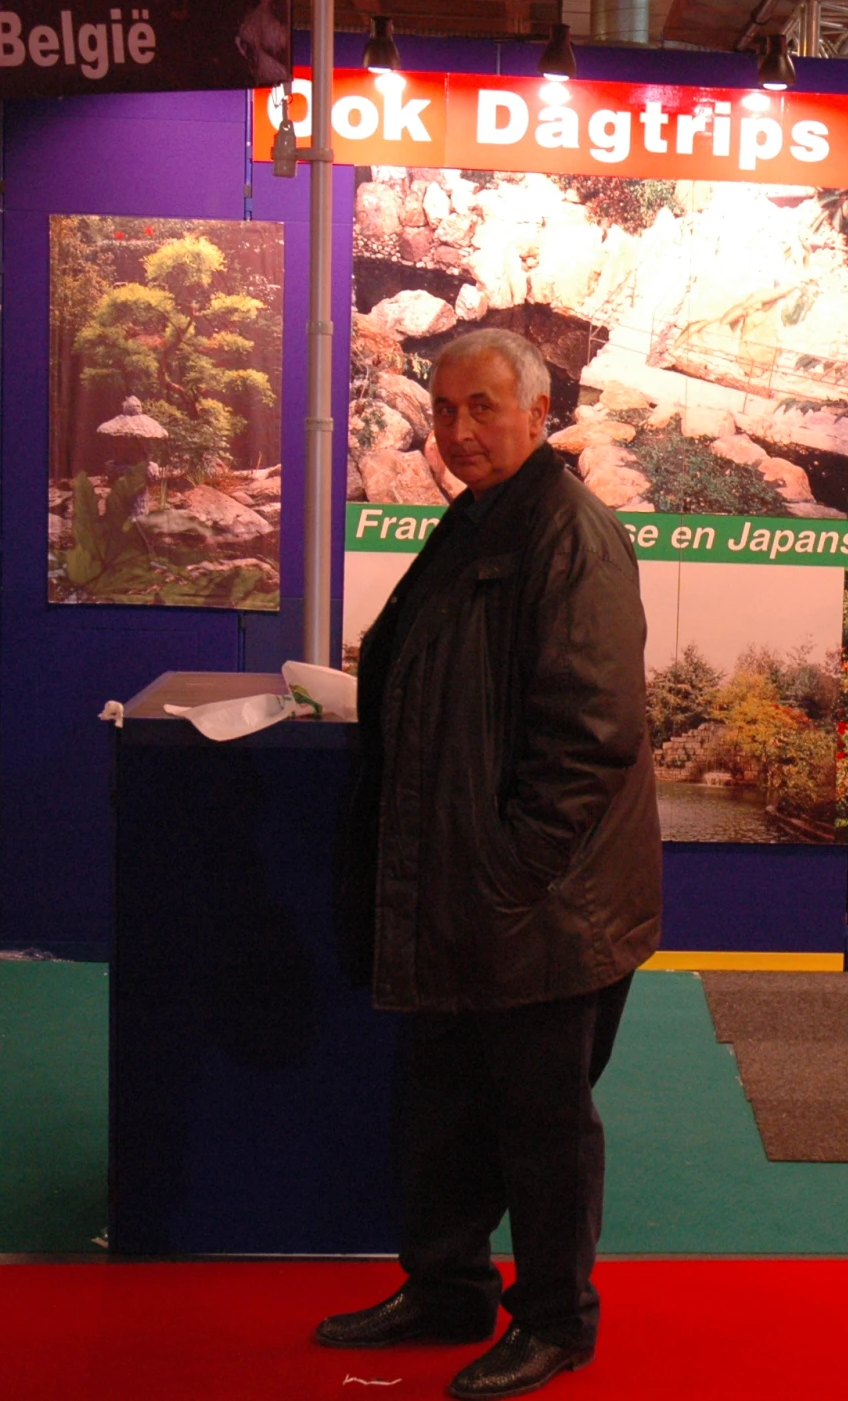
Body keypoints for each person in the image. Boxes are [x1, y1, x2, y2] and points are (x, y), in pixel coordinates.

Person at [319, 329, 661, 1400]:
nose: (459, 430)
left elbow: (589, 735)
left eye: (483, 408)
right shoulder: (477, 521)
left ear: (539, 410)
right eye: (445, 408)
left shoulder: (570, 535)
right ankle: (447, 1285)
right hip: (461, 887)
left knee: (542, 1121)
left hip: (542, 905)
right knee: (448, 1103)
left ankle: (555, 1319)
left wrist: (510, 874)